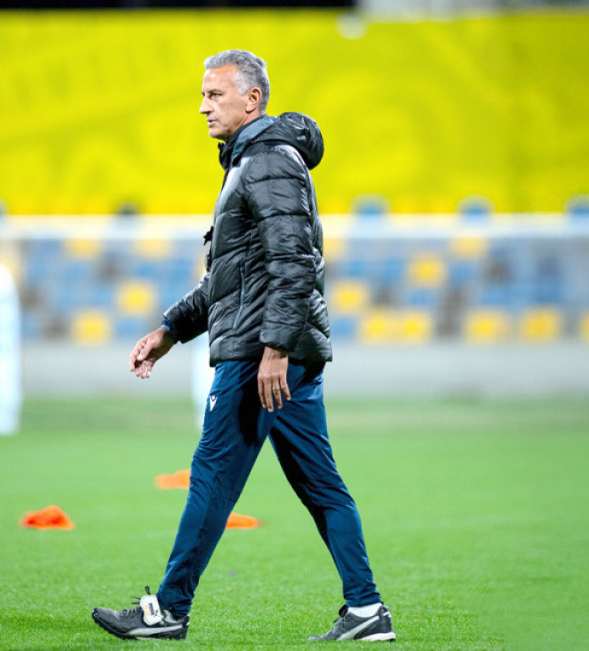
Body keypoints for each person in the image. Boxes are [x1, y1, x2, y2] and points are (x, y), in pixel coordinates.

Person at [91, 49, 395, 643]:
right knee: (320, 484)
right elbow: (230, 279)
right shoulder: (254, 161)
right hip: (282, 350)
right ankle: (366, 609)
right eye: (203, 95)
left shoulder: (267, 162)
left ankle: (168, 609)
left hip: (262, 354)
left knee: (211, 475)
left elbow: (294, 261)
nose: (203, 107)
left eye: (215, 95)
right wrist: (170, 331)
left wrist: (274, 350)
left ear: (252, 99)